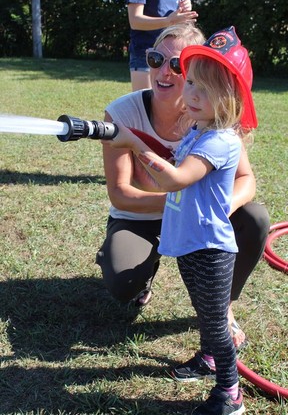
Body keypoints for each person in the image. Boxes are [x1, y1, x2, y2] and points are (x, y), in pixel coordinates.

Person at [96, 22, 270, 351]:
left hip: (199, 216)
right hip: (141, 217)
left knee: (256, 218)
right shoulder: (121, 113)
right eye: (155, 59)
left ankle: (221, 306)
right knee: (123, 281)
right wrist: (184, 203)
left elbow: (247, 180)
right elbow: (120, 194)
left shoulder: (215, 115)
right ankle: (145, 276)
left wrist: (219, 207)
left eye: (177, 64)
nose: (164, 71)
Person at [125, 0, 198, 91]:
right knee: (146, 105)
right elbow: (135, 21)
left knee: (174, 105)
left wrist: (183, 8)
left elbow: (172, 17)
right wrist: (169, 21)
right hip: (146, 55)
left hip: (172, 56)